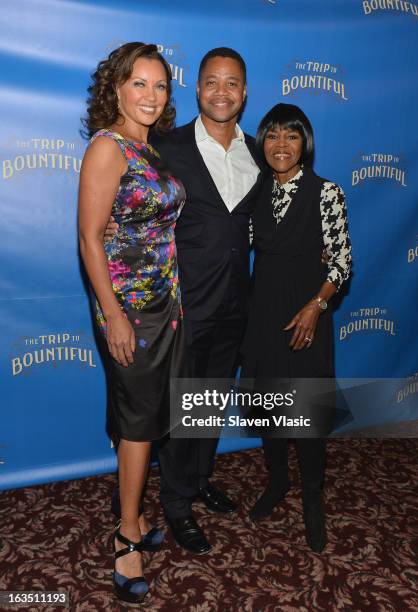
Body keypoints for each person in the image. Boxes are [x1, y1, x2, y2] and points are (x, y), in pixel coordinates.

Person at [107, 48, 264, 554]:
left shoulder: (259, 152)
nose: (222, 92)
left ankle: (196, 481)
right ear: (197, 91)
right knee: (179, 411)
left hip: (236, 304)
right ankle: (175, 505)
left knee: (209, 405)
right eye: (211, 82)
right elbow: (131, 195)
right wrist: (114, 225)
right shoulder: (166, 146)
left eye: (232, 83)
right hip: (179, 306)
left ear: (244, 92)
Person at [78, 42, 186, 603]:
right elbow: (89, 239)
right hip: (128, 310)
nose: (150, 95)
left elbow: (159, 230)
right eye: (138, 83)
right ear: (116, 89)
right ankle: (126, 538)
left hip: (164, 306)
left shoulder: (151, 147)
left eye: (160, 85)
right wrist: (116, 316)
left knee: (142, 413)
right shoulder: (108, 147)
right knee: (141, 419)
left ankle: (136, 516)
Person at [241, 103, 352, 553]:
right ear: (262, 143)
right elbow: (238, 243)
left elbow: (342, 261)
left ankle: (311, 497)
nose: (281, 144)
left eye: (291, 135)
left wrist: (316, 306)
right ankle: (278, 482)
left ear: (305, 142)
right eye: (272, 135)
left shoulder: (327, 193)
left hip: (307, 317)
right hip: (262, 315)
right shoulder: (255, 191)